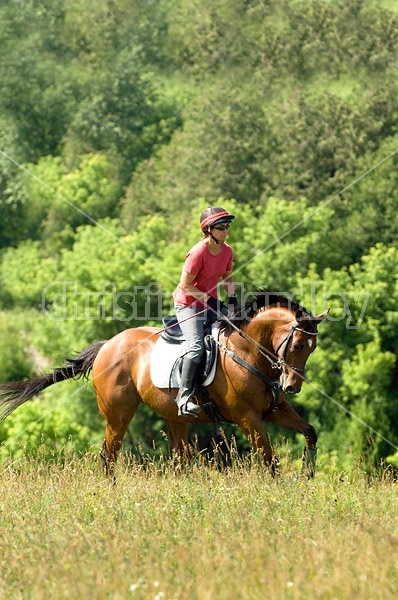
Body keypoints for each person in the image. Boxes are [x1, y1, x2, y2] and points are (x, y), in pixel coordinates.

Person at [173, 206, 238, 417]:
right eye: (221, 227)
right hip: (188, 305)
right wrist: (211, 300)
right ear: (208, 230)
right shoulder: (198, 252)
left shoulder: (227, 251)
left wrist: (232, 299)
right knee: (196, 348)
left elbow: (227, 277)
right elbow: (185, 285)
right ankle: (184, 398)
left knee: (235, 334)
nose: (225, 231)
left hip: (210, 304)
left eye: (227, 227)